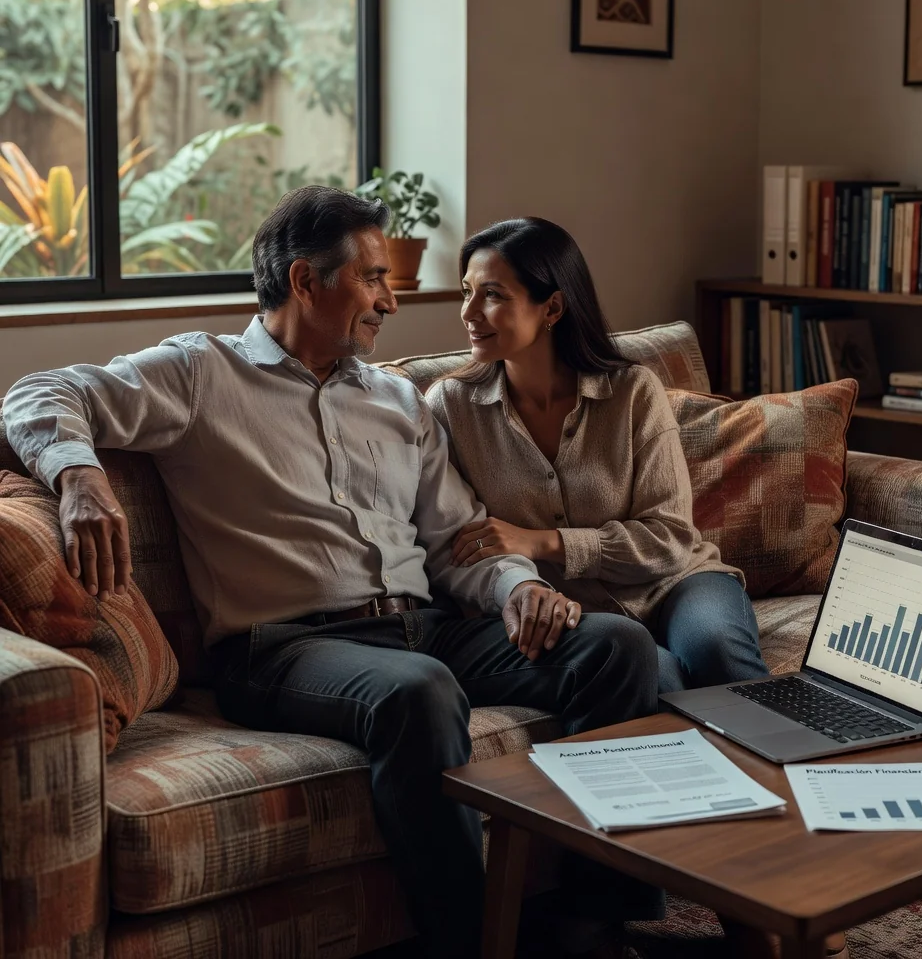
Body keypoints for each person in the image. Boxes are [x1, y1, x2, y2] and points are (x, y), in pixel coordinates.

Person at [2, 189, 662, 959]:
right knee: (418, 690)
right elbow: (37, 392)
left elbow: (457, 541)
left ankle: (589, 923)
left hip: (424, 629)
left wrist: (521, 589)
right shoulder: (200, 372)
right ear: (305, 281)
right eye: (372, 277)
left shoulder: (399, 401)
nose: (390, 299)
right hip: (281, 649)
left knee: (616, 647)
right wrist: (80, 477)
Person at [425, 216, 770, 695]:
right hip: (574, 614)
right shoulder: (450, 407)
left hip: (677, 583)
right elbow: (459, 545)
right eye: (467, 292)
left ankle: (792, 745)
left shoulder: (633, 392)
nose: (469, 312)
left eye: (493, 295)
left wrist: (544, 543)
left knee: (716, 648)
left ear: (552, 307)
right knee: (656, 675)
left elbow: (670, 539)